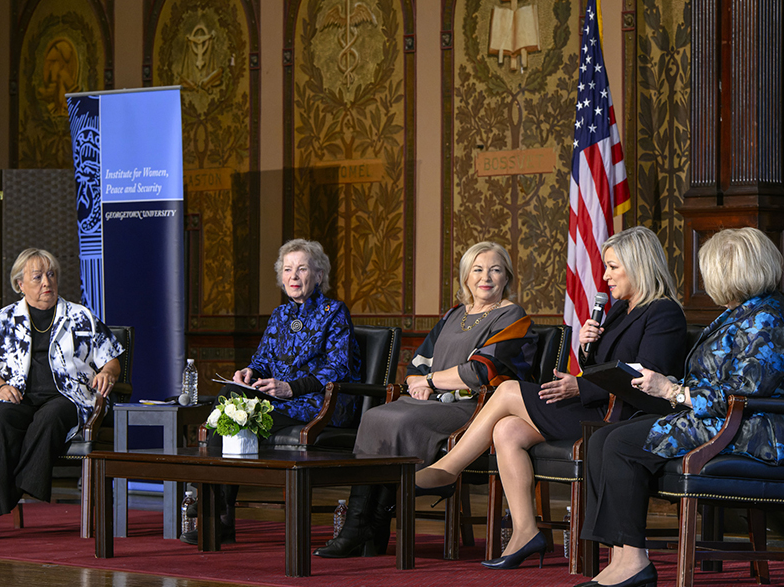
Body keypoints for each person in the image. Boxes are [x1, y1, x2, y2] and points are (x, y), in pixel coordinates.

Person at [414, 226, 688, 569]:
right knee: (507, 431)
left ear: (639, 265)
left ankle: (449, 469)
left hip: (621, 415)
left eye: (613, 267)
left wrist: (581, 386)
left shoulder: (663, 312)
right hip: (595, 402)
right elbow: (607, 366)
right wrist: (589, 351)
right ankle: (526, 531)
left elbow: (644, 378)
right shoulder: (619, 310)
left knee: (509, 389)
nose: (605, 277)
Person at [575, 227, 784, 587]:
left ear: (728, 271)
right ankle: (620, 556)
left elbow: (743, 392)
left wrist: (671, 390)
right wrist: (670, 384)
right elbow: (715, 381)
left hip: (759, 429)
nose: (705, 279)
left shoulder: (766, 319)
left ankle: (633, 561)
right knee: (604, 438)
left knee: (620, 442)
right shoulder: (742, 312)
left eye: (709, 270)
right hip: (720, 419)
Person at [314, 241, 539, 558]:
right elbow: (417, 365)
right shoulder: (453, 314)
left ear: (507, 277)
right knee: (376, 417)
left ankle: (372, 523)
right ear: (465, 277)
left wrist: (430, 381)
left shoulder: (511, 315)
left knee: (400, 421)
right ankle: (361, 525)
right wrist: (417, 382)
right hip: (431, 401)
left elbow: (481, 372)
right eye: (477, 269)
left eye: (495, 270)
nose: (485, 277)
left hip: (474, 408)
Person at [181, 239, 361, 545]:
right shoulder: (279, 315)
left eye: (302, 269)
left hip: (320, 402)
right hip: (279, 399)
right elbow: (263, 360)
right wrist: (250, 372)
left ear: (318, 275)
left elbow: (339, 367)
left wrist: (292, 387)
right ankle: (217, 507)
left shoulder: (334, 312)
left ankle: (217, 508)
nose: (293, 276)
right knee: (229, 399)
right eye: (287, 269)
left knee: (243, 417)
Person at [0, 248, 124, 541]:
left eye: (51, 275)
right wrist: (0, 387)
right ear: (20, 284)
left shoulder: (79, 316)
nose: (46, 282)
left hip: (68, 396)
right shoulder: (5, 319)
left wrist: (107, 373)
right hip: (20, 396)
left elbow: (111, 359)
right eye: (37, 277)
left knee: (50, 416)